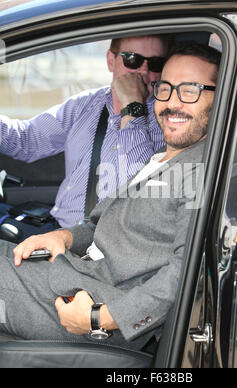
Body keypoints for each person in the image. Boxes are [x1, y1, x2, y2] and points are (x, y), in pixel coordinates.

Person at [0, 42, 221, 352]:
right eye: (167, 88)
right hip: (78, 272)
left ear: (220, 95)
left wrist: (99, 317)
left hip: (95, 307)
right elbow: (100, 219)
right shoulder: (164, 155)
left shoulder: (198, 168)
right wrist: (63, 237)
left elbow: (185, 271)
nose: (173, 102)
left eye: (190, 90)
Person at [0, 35, 168, 230]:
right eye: (133, 59)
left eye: (155, 63)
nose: (144, 71)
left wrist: (132, 107)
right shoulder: (86, 104)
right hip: (58, 230)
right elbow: (26, 141)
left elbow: (138, 190)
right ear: (110, 61)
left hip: (110, 246)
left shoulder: (167, 119)